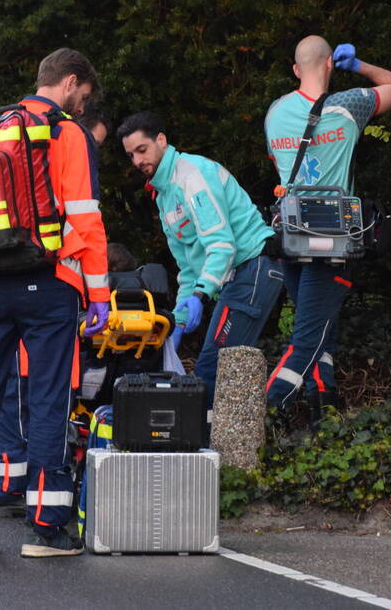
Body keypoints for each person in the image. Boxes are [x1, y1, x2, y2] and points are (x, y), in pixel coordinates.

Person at [0, 48, 111, 557]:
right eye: (84, 96)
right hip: (47, 283)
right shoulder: (66, 133)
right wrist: (97, 293)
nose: (83, 105)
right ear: (71, 82)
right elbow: (84, 218)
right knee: (49, 400)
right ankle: (46, 529)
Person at [263, 36, 391, 427]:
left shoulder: (274, 113)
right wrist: (358, 65)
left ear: (296, 69)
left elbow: (276, 161)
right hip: (333, 236)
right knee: (309, 338)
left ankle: (321, 414)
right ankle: (256, 414)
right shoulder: (348, 106)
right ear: (330, 63)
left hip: (291, 235)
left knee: (319, 330)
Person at [118, 111, 285, 415]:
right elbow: (189, 268)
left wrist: (200, 295)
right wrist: (180, 316)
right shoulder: (164, 195)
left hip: (254, 266)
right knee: (215, 364)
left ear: (161, 140)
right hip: (239, 274)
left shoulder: (191, 176)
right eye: (131, 155)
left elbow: (222, 245)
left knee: (214, 364)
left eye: (142, 150)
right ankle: (212, 442)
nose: (137, 161)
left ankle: (208, 444)